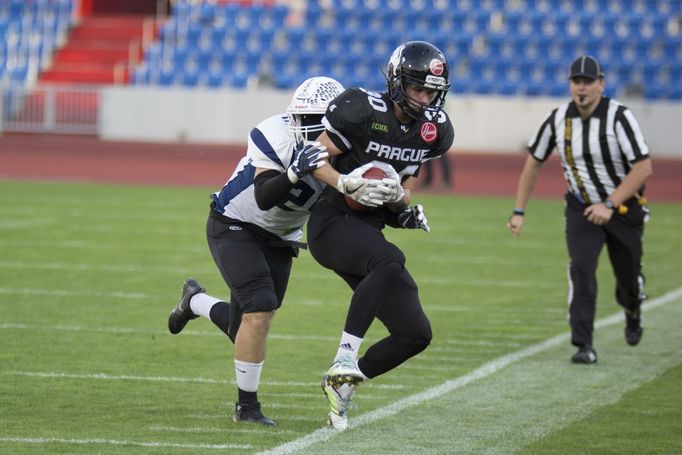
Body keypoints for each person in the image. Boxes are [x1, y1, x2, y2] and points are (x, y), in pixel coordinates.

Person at [167, 76, 347, 426]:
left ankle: (194, 301)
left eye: (313, 122)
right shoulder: (274, 133)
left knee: (246, 330)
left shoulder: (350, 149)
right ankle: (246, 408)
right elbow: (265, 195)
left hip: (280, 236)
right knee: (260, 308)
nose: (302, 128)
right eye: (300, 119)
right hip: (235, 223)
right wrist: (296, 171)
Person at [307, 41, 455, 430]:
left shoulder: (431, 131)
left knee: (415, 333)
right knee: (390, 261)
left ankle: (341, 385)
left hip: (368, 227)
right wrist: (345, 184)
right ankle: (344, 356)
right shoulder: (360, 109)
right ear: (395, 82)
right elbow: (311, 159)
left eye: (431, 91)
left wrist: (401, 206)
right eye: (418, 89)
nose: (425, 99)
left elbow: (405, 186)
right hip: (332, 221)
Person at [506, 55, 653, 365]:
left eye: (588, 82)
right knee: (581, 269)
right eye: (577, 82)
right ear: (570, 84)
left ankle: (633, 309)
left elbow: (643, 167)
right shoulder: (557, 119)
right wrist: (519, 210)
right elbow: (534, 162)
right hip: (581, 208)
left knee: (627, 281)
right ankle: (583, 343)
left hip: (624, 207)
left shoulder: (619, 117)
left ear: (601, 84)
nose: (582, 88)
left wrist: (610, 204)